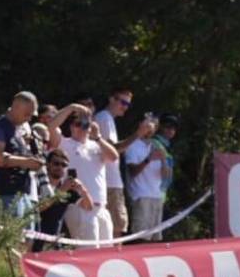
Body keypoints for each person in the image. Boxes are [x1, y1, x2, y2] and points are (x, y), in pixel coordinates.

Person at [47, 103, 118, 245]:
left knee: (107, 252)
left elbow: (114, 157)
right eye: (78, 124)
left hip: (101, 206)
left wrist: (98, 137)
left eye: (85, 125)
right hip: (79, 206)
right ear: (71, 126)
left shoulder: (97, 145)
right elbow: (51, 127)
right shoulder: (64, 143)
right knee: (90, 252)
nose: (81, 128)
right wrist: (71, 108)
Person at [92, 88, 152, 236]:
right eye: (123, 102)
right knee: (116, 229)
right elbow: (114, 149)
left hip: (110, 181)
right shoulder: (104, 118)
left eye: (128, 104)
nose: (125, 107)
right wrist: (138, 134)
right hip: (109, 182)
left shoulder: (107, 119)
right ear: (111, 99)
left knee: (115, 228)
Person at [0, 91, 44, 219]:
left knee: (27, 232)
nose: (29, 119)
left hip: (23, 193)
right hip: (3, 193)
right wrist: (26, 162)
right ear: (16, 107)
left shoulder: (23, 130)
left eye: (31, 115)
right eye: (27, 114)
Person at [125, 113, 177, 239]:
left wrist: (164, 161)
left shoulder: (157, 146)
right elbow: (132, 172)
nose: (151, 127)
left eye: (154, 125)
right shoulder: (132, 145)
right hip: (141, 197)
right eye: (148, 124)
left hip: (158, 197)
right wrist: (148, 159)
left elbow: (166, 176)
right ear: (140, 125)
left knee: (155, 241)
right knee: (141, 240)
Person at [32, 150, 90, 252]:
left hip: (54, 243)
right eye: (56, 163)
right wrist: (61, 192)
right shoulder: (37, 183)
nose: (60, 167)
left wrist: (82, 189)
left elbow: (88, 206)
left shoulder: (67, 189)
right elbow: (37, 209)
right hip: (35, 240)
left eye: (64, 165)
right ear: (48, 164)